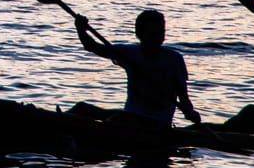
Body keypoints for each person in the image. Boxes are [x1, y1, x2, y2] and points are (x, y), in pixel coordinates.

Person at [71, 8, 202, 129]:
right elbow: (94, 47)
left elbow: (183, 96)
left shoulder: (174, 59)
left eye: (161, 32)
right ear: (140, 34)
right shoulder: (129, 53)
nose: (158, 38)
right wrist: (81, 30)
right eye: (153, 34)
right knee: (82, 108)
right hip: (130, 115)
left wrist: (190, 112)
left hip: (157, 122)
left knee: (117, 121)